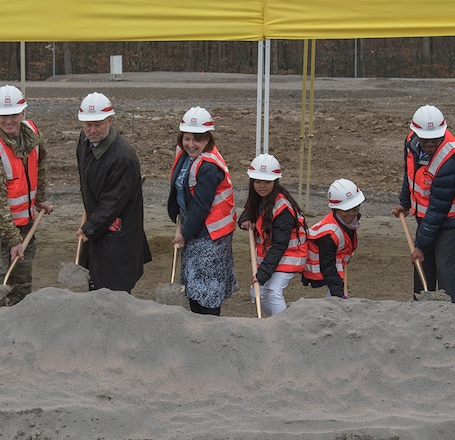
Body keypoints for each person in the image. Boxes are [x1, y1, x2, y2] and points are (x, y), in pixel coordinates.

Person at [0, 85, 53, 305]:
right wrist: (13, 240)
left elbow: (41, 165)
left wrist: (40, 198)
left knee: (21, 282)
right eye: (3, 116)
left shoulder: (33, 134)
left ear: (23, 113)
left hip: (24, 222)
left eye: (14, 115)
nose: (8, 120)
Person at [391, 105, 455, 304]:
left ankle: (449, 312)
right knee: (422, 267)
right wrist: (405, 202)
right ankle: (420, 307)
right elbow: (409, 175)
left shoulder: (449, 160)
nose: (431, 143)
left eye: (435, 138)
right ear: (416, 133)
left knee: (444, 266)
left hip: (448, 220)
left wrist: (420, 245)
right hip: (426, 218)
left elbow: (438, 209)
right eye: (426, 139)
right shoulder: (410, 143)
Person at [76, 92, 151, 292]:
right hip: (99, 223)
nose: (92, 130)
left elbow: (113, 203)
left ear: (110, 120)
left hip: (119, 231)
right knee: (95, 278)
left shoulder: (122, 158)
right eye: (87, 124)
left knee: (113, 286)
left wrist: (89, 228)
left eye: (98, 124)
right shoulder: (84, 140)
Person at [168, 106, 237, 315]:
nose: (191, 144)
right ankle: (196, 324)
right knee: (193, 283)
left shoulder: (209, 167)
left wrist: (184, 234)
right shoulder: (183, 154)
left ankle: (209, 331)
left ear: (208, 139)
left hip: (211, 232)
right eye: (187, 138)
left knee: (208, 288)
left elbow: (201, 206)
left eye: (198, 139)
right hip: (193, 224)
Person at [237, 153, 307, 315]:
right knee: (257, 293)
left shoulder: (283, 209)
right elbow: (249, 212)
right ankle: (276, 320)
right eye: (258, 182)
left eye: (267, 182)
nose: (262, 186)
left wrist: (262, 275)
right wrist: (245, 221)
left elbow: (279, 246)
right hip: (270, 253)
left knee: (272, 291)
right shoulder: (257, 197)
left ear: (275, 182)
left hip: (290, 253)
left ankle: (284, 326)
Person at [303, 178, 364, 298]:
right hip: (318, 265)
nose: (352, 213)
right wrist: (339, 292)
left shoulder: (348, 221)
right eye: (346, 210)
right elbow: (327, 267)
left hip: (334, 261)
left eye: (355, 209)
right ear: (336, 209)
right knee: (335, 292)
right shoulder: (329, 235)